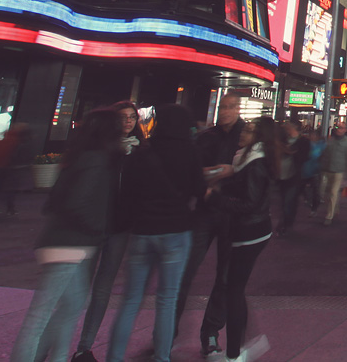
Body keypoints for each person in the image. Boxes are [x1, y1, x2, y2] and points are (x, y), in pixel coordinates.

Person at [10, 109, 122, 362]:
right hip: (71, 243)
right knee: (41, 314)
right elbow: (78, 203)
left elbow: (55, 201)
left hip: (62, 241)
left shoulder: (79, 157)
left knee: (72, 304)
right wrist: (98, 228)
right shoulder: (97, 160)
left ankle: (54, 356)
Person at [105, 104, 204, 362]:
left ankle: (114, 357)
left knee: (130, 301)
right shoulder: (189, 153)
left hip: (142, 232)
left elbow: (126, 196)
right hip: (176, 232)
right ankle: (161, 357)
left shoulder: (142, 153)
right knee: (167, 300)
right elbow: (199, 189)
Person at [73, 101, 145, 362]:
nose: (128, 121)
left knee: (103, 288)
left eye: (132, 117)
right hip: (94, 225)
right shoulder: (101, 149)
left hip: (120, 227)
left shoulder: (140, 150)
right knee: (78, 288)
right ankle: (56, 342)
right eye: (124, 117)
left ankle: (85, 346)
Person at [202, 116, 278, 362]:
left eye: (249, 130)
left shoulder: (255, 163)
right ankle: (237, 349)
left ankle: (234, 354)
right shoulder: (246, 158)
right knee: (235, 289)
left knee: (234, 290)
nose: (243, 133)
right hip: (250, 230)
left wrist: (214, 198)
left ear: (258, 137)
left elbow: (249, 203)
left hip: (250, 232)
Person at [175, 90, 244, 354]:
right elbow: (195, 172)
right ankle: (168, 331)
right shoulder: (207, 138)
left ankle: (211, 332)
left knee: (226, 277)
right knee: (184, 270)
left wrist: (219, 174)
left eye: (230, 106)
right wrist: (224, 170)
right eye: (222, 107)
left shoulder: (246, 136)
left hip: (232, 213)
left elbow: (245, 172)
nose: (224, 111)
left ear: (238, 108)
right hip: (205, 211)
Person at [317, 121, 347, 225]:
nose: (339, 129)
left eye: (342, 128)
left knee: (333, 192)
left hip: (338, 170)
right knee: (324, 192)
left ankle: (329, 215)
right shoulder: (330, 140)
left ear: (345, 130)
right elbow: (324, 155)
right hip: (326, 169)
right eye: (338, 127)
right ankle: (334, 206)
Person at [277, 121, 309, 235]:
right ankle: (286, 221)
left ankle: (285, 224)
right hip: (281, 175)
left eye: (288, 127)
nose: (287, 129)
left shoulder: (303, 141)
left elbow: (305, 157)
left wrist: (290, 152)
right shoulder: (282, 140)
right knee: (284, 200)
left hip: (294, 176)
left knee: (288, 200)